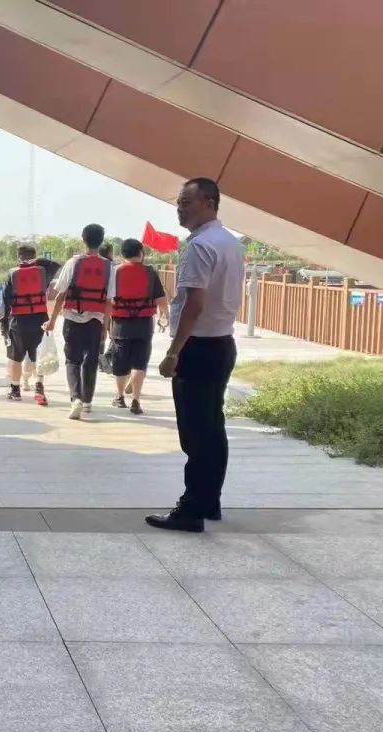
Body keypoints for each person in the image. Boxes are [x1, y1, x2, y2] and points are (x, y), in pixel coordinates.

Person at [146, 178, 244, 533]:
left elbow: (194, 304)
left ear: (210, 203)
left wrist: (174, 352)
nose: (180, 209)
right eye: (179, 202)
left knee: (196, 433)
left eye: (187, 202)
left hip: (198, 347)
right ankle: (208, 501)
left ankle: (191, 510)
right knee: (212, 428)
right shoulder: (230, 242)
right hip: (221, 344)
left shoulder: (201, 246)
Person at [46, 224, 115, 420]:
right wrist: (105, 326)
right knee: (91, 361)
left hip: (72, 319)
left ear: (83, 239)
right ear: (101, 241)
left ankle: (75, 398)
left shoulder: (73, 263)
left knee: (72, 360)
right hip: (96, 321)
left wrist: (52, 321)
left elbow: (60, 295)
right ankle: (87, 402)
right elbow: (109, 301)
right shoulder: (109, 267)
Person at [109, 238, 168, 415]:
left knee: (120, 363)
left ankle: (120, 397)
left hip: (120, 324)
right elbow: (161, 299)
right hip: (144, 324)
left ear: (122, 254)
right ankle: (136, 400)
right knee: (139, 364)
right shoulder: (150, 272)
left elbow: (108, 300)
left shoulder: (115, 272)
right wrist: (164, 316)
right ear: (141, 253)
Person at [1, 245, 52, 404]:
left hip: (19, 320)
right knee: (39, 355)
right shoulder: (43, 272)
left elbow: (5, 303)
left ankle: (15, 390)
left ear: (19, 257)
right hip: (40, 319)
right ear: (35, 256)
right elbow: (52, 266)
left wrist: (3, 325)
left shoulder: (12, 274)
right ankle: (39, 388)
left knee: (16, 357)